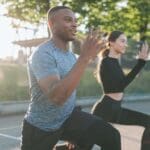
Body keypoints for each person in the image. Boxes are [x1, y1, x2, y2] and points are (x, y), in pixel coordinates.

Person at [20, 6, 121, 150]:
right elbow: (58, 97)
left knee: (111, 136)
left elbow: (71, 88)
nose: (74, 24)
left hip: (68, 118)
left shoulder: (71, 56)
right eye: (68, 20)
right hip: (41, 127)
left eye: (75, 21)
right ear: (51, 24)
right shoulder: (42, 54)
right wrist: (85, 57)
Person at [91, 30, 150, 150]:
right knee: (90, 144)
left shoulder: (115, 62)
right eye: (122, 41)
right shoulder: (106, 62)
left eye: (126, 42)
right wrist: (140, 63)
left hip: (116, 109)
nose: (125, 44)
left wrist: (141, 63)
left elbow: (122, 83)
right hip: (105, 110)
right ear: (111, 42)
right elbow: (121, 86)